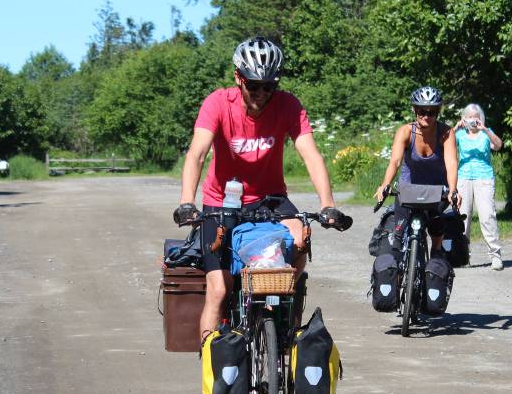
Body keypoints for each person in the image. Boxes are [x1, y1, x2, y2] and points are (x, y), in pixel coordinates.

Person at [174, 36, 349, 345]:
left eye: (269, 86)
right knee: (219, 288)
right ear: (238, 78)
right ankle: (213, 371)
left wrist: (328, 204)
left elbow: (310, 153)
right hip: (221, 203)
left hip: (271, 200)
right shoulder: (217, 103)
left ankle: (287, 332)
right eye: (253, 85)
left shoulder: (288, 106)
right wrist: (187, 202)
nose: (261, 93)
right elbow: (197, 153)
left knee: (300, 238)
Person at [374, 86, 460, 256]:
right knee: (398, 234)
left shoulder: (446, 132)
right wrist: (385, 185)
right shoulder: (405, 132)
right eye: (422, 111)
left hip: (436, 190)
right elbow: (395, 161)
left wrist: (453, 189)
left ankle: (435, 252)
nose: (427, 116)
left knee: (436, 226)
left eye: (432, 112)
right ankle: (399, 265)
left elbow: (451, 162)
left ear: (438, 111)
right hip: (409, 189)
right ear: (414, 110)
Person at [454, 103, 503, 270]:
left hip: (484, 179)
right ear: (464, 118)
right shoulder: (459, 134)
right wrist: (455, 127)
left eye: (476, 117)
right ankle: (463, 255)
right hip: (464, 178)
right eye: (469, 117)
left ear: (480, 119)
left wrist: (486, 129)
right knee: (462, 217)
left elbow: (498, 145)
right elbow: (442, 144)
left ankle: (495, 255)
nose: (472, 120)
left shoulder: (485, 134)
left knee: (487, 216)